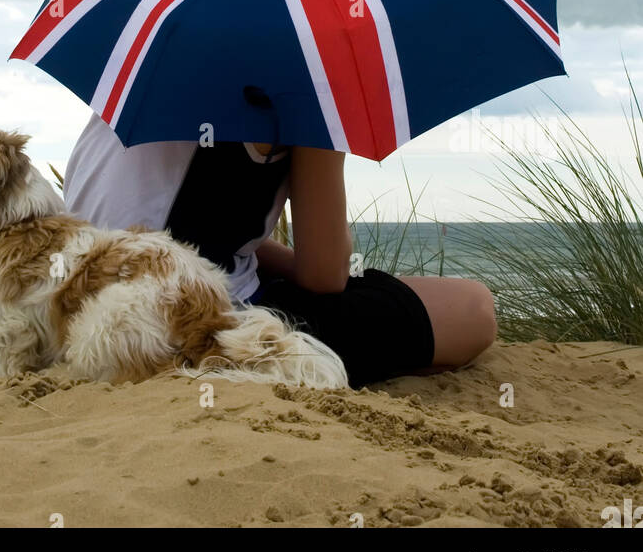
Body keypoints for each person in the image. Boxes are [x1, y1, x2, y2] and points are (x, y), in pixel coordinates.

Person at [63, 112, 496, 389]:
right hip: (184, 325)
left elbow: (180, 230)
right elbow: (324, 277)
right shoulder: (294, 96)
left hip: (74, 315)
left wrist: (275, 260)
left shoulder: (135, 87)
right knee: (471, 309)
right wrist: (328, 141)